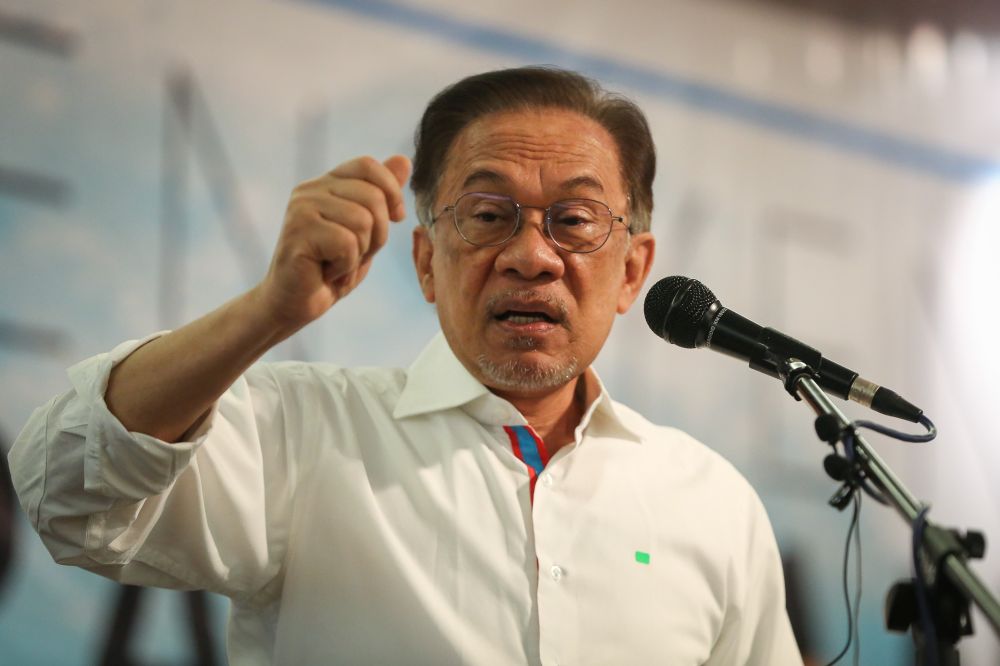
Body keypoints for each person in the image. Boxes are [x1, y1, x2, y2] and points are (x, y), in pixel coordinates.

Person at [8, 67, 802, 664]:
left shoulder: (712, 504)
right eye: (488, 216)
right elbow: (65, 490)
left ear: (633, 271)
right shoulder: (307, 433)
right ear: (426, 261)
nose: (531, 256)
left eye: (575, 220)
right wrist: (267, 312)